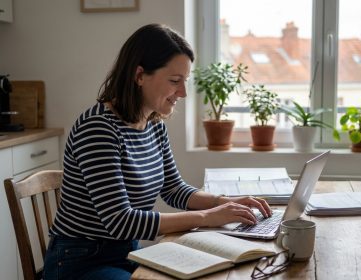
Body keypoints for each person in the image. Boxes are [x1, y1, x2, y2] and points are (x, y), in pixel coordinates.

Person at [43, 23, 272, 280]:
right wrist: (208, 216)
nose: (183, 93)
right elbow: (121, 222)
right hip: (80, 261)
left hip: (128, 252)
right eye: (175, 81)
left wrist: (224, 202)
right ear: (139, 75)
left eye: (184, 81)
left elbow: (174, 189)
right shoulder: (98, 129)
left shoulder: (153, 124)